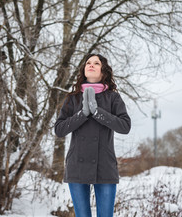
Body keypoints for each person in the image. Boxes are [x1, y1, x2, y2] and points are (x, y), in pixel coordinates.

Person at [54, 54, 131, 217]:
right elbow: (59, 129)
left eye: (96, 63)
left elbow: (125, 126)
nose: (91, 65)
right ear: (84, 69)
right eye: (88, 62)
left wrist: (98, 112)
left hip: (104, 165)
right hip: (77, 164)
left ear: (103, 72)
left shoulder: (113, 97)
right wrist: (83, 113)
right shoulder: (72, 98)